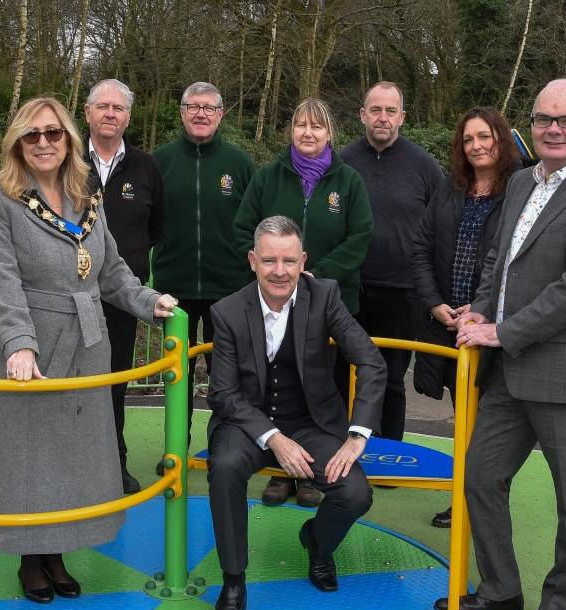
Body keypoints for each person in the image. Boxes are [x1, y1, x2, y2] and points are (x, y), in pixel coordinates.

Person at [435, 79, 566, 610]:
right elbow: (499, 259)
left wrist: (501, 332)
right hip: (513, 373)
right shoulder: (522, 182)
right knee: (479, 477)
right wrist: (478, 310)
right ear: (532, 124)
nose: (555, 129)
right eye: (545, 119)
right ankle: (501, 590)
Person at [0, 97, 178, 604]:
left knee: (71, 450)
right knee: (27, 452)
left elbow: (111, 272)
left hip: (87, 342)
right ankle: (30, 558)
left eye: (53, 134)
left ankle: (58, 549)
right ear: (17, 142)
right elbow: (0, 279)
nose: (43, 143)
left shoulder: (87, 195)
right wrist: (19, 343)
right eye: (32, 135)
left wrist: (149, 301)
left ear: (69, 140)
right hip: (31, 344)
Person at [205, 216, 387, 610]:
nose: (280, 271)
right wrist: (274, 440)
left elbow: (371, 362)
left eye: (289, 260)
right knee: (226, 468)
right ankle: (233, 583)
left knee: (355, 492)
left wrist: (357, 435)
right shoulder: (228, 311)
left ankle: (318, 543)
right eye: (269, 260)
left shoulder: (324, 296)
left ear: (303, 260)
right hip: (247, 423)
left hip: (310, 422)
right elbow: (224, 394)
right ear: (253, 261)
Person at [232, 98, 373, 508]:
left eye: (317, 126)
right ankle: (281, 473)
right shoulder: (267, 178)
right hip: (272, 301)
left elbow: (361, 236)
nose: (308, 133)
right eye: (300, 126)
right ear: (290, 131)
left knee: (320, 388)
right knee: (277, 383)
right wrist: (273, 270)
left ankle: (312, 472)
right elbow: (243, 229)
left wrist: (317, 275)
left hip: (330, 303)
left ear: (330, 133)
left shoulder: (348, 181)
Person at [411, 107, 520, 528]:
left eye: (485, 137)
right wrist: (434, 301)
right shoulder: (449, 189)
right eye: (469, 139)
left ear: (501, 139)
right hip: (448, 323)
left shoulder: (518, 191)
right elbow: (421, 248)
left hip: (492, 324)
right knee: (465, 418)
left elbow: (511, 262)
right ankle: (465, 499)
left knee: (491, 427)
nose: (476, 145)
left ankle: (483, 504)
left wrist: (481, 309)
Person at [341, 81, 444, 444]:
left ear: (402, 116)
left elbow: (440, 228)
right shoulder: (340, 162)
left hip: (404, 292)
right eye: (375, 110)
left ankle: (386, 453)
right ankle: (340, 451)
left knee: (390, 378)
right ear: (362, 115)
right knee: (342, 374)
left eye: (390, 111)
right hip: (348, 289)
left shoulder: (425, 166)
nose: (382, 118)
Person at [153, 81, 256, 444]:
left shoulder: (240, 164)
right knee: (175, 374)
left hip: (228, 290)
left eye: (209, 108)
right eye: (193, 106)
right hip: (173, 290)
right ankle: (176, 449)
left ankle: (224, 450)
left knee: (227, 378)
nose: (201, 113)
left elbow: (255, 224)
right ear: (181, 112)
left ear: (221, 114)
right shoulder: (160, 161)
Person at [82, 78, 167, 493]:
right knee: (74, 383)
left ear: (128, 117)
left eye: (118, 108)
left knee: (115, 382)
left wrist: (128, 272)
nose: (110, 114)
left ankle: (115, 464)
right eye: (102, 107)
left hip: (122, 299)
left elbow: (156, 228)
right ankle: (75, 468)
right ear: (87, 113)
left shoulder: (146, 167)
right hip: (72, 298)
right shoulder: (64, 160)